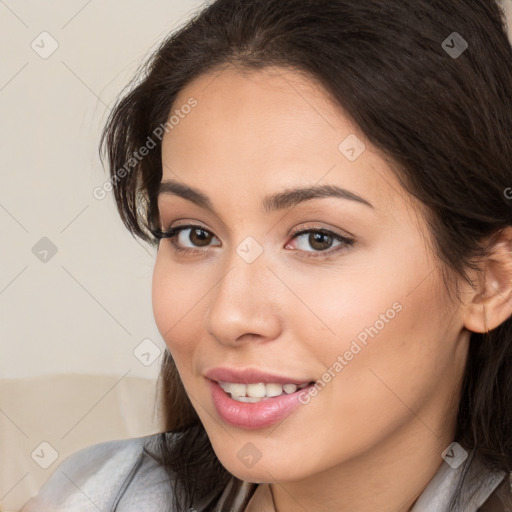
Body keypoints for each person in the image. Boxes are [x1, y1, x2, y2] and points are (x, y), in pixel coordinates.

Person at [21, 0, 512, 510]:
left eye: (318, 239)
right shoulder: (93, 495)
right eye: (194, 234)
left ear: (489, 281)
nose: (228, 316)